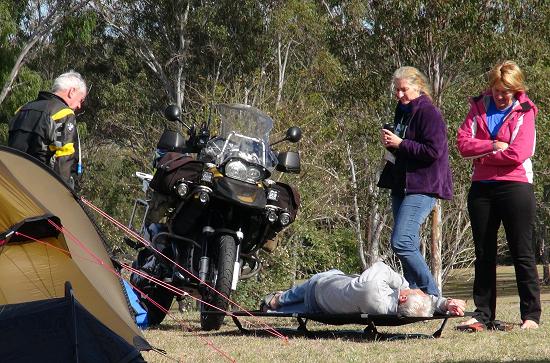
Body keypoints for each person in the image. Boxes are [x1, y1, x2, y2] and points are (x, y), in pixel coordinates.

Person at [456, 60, 541, 330]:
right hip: (481, 188)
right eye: (497, 90)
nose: (501, 96)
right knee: (483, 253)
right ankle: (482, 315)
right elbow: (462, 144)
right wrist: (493, 145)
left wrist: (482, 156)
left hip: (515, 186)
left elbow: (519, 152)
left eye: (507, 91)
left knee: (522, 252)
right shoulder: (478, 107)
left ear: (517, 89)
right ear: (490, 87)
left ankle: (531, 316)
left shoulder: (525, 111)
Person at [377, 66, 453, 296]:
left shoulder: (428, 113)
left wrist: (400, 143)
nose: (399, 95)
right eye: (396, 90)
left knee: (402, 242)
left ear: (418, 86)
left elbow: (434, 151)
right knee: (406, 243)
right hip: (401, 184)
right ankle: (413, 293)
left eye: (404, 90)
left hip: (423, 186)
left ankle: (432, 294)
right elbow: (404, 147)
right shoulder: (402, 110)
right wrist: (392, 143)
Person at [260, 261, 466, 318]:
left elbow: (381, 267)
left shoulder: (373, 286)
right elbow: (425, 307)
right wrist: (445, 303)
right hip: (322, 310)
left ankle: (277, 300)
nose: (416, 291)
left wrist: (405, 285)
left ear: (403, 297)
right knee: (314, 300)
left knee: (331, 274)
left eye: (414, 292)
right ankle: (276, 309)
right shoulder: (389, 311)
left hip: (320, 286)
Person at [8, 70, 87, 189]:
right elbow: (63, 157)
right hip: (39, 186)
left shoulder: (23, 109)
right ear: (72, 92)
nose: (79, 106)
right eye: (81, 100)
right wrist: (62, 192)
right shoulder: (63, 113)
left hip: (12, 181)